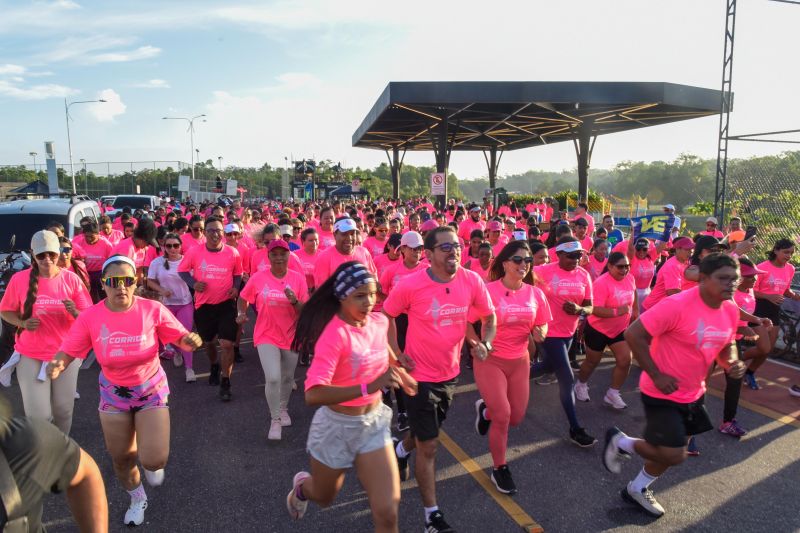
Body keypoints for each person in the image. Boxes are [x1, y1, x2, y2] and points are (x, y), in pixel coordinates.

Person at [48, 255, 203, 526]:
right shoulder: (90, 317)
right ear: (104, 285)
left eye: (127, 281)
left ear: (135, 282)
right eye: (114, 281)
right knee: (121, 459)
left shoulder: (151, 310)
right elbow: (69, 350)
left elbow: (179, 337)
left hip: (150, 389)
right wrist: (58, 364)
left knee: (154, 460)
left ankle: (150, 460)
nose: (121, 287)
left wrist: (189, 340)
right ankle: (137, 497)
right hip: (113, 394)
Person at [604, 253, 745, 518]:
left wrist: (732, 363)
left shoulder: (730, 309)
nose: (731, 284)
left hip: (694, 392)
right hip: (661, 391)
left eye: (734, 279)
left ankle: (637, 488)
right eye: (723, 278)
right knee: (675, 454)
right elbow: (633, 333)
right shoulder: (677, 305)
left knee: (668, 451)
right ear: (703, 279)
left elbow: (728, 344)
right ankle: (620, 441)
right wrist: (656, 374)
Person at [286, 262, 417, 532]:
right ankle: (301, 489)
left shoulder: (379, 322)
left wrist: (399, 373)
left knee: (388, 511)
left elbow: (382, 355)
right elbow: (313, 393)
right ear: (342, 297)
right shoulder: (334, 335)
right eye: (359, 295)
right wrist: (370, 386)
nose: (369, 301)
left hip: (373, 425)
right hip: (336, 426)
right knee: (324, 496)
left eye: (372, 294)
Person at [384, 226, 495, 533]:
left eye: (457, 246)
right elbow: (387, 314)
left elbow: (489, 315)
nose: (454, 252)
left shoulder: (471, 280)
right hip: (417, 376)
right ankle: (431, 516)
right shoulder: (411, 284)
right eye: (445, 248)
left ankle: (401, 450)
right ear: (429, 254)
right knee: (430, 445)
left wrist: (485, 342)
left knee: (424, 435)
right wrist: (396, 351)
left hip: (450, 373)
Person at [473, 241, 551, 495]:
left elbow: (543, 323)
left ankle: (486, 412)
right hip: (491, 360)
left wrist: (541, 332)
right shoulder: (488, 291)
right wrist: (477, 343)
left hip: (519, 361)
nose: (524, 265)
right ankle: (499, 468)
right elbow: (466, 321)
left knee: (515, 418)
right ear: (504, 263)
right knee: (504, 415)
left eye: (527, 260)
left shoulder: (535, 293)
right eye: (518, 260)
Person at [0, 231, 92, 435]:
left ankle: (60, 451)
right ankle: (45, 452)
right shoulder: (19, 279)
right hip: (31, 354)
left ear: (59, 252)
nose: (47, 259)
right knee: (39, 416)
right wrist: (21, 321)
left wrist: (75, 312)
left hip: (65, 355)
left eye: (51, 254)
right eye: (41, 255)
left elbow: (89, 317)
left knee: (63, 411)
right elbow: (5, 310)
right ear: (33, 254)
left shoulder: (71, 280)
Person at [0, 394, 108, 532]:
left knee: (63, 411)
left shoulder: (21, 447)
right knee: (43, 415)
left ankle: (57, 462)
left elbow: (86, 473)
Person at [237, 239, 308, 441]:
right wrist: (241, 312)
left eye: (282, 253)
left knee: (287, 378)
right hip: (266, 334)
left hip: (292, 335)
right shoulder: (259, 278)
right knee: (274, 377)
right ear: (268, 256)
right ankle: (275, 419)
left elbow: (305, 311)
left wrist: (294, 300)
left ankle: (283, 408)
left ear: (289, 255)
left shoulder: (297, 279)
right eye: (274, 254)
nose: (279, 257)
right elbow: (243, 297)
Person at [531, 237, 596, 446]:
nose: (576, 259)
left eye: (579, 255)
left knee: (547, 366)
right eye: (570, 256)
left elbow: (590, 307)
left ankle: (510, 377)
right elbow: (520, 285)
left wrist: (579, 310)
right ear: (558, 255)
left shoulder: (584, 275)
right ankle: (575, 429)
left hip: (569, 332)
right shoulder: (543, 271)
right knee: (567, 378)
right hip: (547, 331)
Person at [178, 216, 243, 401]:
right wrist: (193, 283)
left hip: (226, 304)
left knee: (227, 344)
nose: (215, 234)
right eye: (211, 231)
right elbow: (182, 271)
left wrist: (236, 287)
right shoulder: (194, 252)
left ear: (223, 233)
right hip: (204, 305)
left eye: (218, 231)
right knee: (209, 343)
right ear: (205, 233)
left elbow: (238, 273)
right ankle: (214, 364)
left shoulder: (232, 252)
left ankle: (225, 381)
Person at [574, 252, 637, 409]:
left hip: (619, 329)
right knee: (591, 362)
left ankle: (613, 393)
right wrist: (618, 312)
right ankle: (580, 385)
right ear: (609, 266)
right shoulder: (601, 283)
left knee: (625, 360)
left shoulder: (630, 278)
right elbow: (594, 309)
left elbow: (633, 291)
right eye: (620, 267)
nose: (624, 270)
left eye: (627, 266)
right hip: (598, 329)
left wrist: (635, 310)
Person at [718, 258, 773, 436]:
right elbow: (724, 317)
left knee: (735, 381)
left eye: (755, 276)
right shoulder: (727, 293)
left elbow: (738, 312)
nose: (755, 280)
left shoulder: (749, 290)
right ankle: (687, 429)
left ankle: (727, 422)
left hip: (732, 343)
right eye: (751, 277)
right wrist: (742, 327)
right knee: (696, 384)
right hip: (716, 341)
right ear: (739, 278)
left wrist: (757, 320)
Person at [147, 233, 196, 382]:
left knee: (185, 335)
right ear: (164, 247)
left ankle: (189, 369)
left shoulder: (187, 261)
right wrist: (162, 291)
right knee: (172, 336)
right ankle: (177, 352)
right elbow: (150, 281)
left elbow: (196, 279)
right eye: (169, 246)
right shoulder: (157, 263)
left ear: (181, 246)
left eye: (176, 245)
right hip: (166, 306)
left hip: (185, 303)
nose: (173, 249)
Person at [753, 238, 800, 352]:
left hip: (775, 310)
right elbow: (750, 291)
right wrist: (768, 296)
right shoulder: (762, 267)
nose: (789, 256)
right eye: (786, 252)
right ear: (775, 251)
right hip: (759, 309)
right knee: (763, 349)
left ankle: (749, 370)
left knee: (768, 349)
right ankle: (739, 363)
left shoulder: (790, 268)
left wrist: (796, 296)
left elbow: (785, 290)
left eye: (791, 253)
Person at [313, 218, 377, 288]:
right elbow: (321, 290)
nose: (349, 238)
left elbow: (373, 279)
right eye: (344, 234)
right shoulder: (324, 257)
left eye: (352, 234)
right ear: (335, 235)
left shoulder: (364, 252)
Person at [642, 237, 694, 311]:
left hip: (660, 307)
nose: (690, 252)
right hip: (653, 308)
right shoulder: (672, 266)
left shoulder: (684, 262)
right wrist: (694, 296)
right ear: (677, 249)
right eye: (687, 249)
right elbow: (672, 292)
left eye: (691, 249)